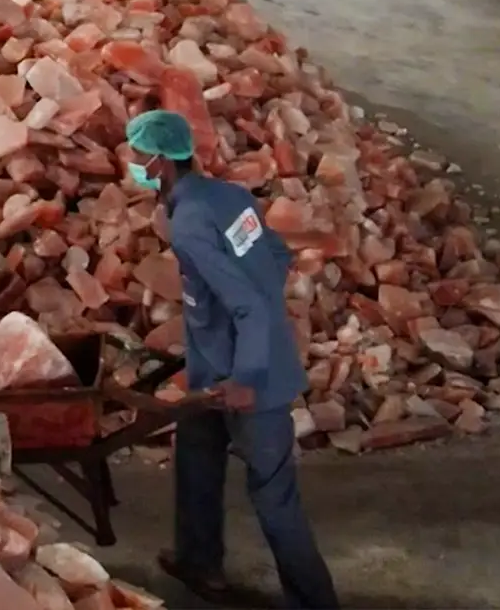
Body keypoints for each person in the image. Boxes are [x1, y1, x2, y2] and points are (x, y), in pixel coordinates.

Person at [124, 110, 341, 610]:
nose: (132, 163)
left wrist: (245, 375)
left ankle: (315, 604)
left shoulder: (190, 223)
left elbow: (246, 304)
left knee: (275, 498)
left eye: (137, 155)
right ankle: (200, 563)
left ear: (160, 162)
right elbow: (275, 257)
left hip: (248, 385)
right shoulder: (229, 196)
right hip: (212, 374)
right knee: (196, 458)